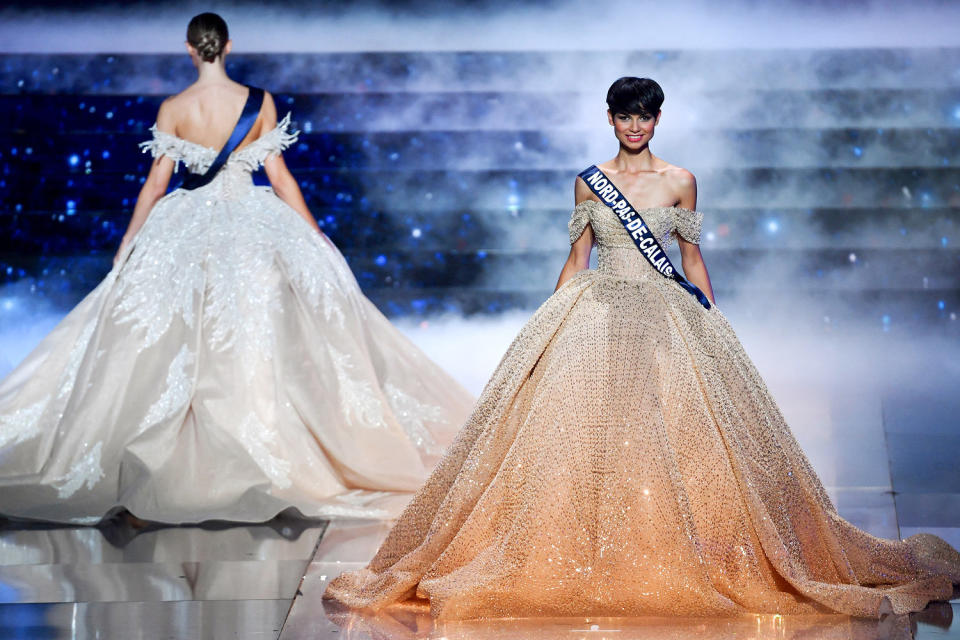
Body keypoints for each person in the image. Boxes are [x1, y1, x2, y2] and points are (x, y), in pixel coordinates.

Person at [323, 77, 960, 620]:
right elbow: (577, 259)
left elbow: (690, 257)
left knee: (675, 429)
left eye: (644, 115)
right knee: (582, 431)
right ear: (610, 118)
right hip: (596, 313)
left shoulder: (680, 181)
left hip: (666, 314)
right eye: (624, 115)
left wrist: (714, 322)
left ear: (658, 119)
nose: (634, 125)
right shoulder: (589, 184)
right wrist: (547, 323)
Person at [0, 12, 473, 524]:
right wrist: (314, 234)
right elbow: (280, 176)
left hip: (183, 225)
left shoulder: (175, 107)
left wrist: (129, 242)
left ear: (189, 49)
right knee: (257, 329)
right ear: (228, 45)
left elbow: (155, 184)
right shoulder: (259, 101)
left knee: (173, 333)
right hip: (253, 222)